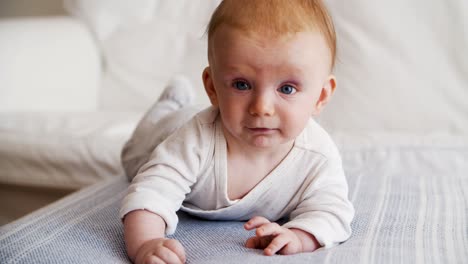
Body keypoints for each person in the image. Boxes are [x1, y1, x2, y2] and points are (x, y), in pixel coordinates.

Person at [120, 0, 355, 263]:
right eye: (242, 85)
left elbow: (332, 212)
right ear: (212, 88)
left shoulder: (317, 157)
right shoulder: (194, 141)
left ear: (320, 96)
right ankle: (169, 103)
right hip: (163, 134)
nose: (262, 108)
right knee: (132, 159)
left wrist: (299, 236)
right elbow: (150, 193)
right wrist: (147, 243)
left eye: (287, 88)